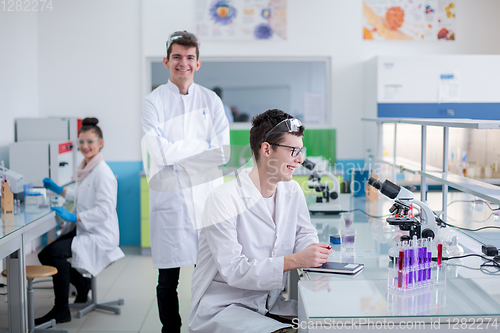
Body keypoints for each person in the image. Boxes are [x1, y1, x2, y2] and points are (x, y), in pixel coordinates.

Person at [189, 109, 332, 333]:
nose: (300, 159)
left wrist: (311, 251)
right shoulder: (223, 200)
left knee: (327, 323)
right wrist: (295, 260)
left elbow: (304, 232)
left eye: (301, 150)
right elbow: (234, 269)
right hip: (226, 308)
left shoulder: (291, 190)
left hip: (267, 303)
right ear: (266, 149)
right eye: (294, 150)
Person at [141, 30, 230, 333]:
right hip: (171, 203)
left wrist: (179, 152)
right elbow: (159, 152)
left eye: (189, 57)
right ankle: (172, 330)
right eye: (177, 57)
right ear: (166, 61)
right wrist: (199, 147)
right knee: (168, 281)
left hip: (206, 202)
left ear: (198, 62)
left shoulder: (211, 100)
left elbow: (221, 153)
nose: (183, 63)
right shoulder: (153, 103)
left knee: (209, 275)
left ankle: (204, 326)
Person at [35, 117, 125, 324]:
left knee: (53, 253)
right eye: (82, 142)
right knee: (47, 253)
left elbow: (104, 210)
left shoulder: (103, 173)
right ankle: (82, 286)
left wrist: (73, 216)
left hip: (100, 233)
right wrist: (60, 190)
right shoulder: (86, 168)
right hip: (86, 228)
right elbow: (82, 195)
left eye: (90, 142)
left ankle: (61, 309)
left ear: (100, 143)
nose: (85, 146)